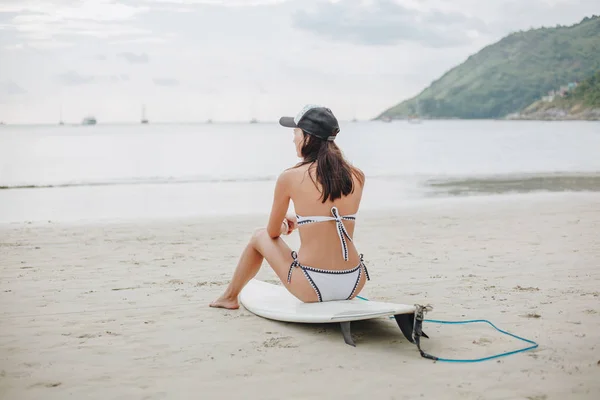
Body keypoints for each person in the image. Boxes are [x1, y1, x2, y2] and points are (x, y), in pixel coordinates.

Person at [210, 105, 369, 309]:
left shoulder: (290, 177)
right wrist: (302, 219)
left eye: (296, 132)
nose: (293, 138)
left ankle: (229, 297)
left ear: (308, 137)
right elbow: (330, 214)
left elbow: (272, 232)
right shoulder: (357, 175)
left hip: (313, 285)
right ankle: (229, 297)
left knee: (259, 235)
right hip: (354, 281)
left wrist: (286, 225)